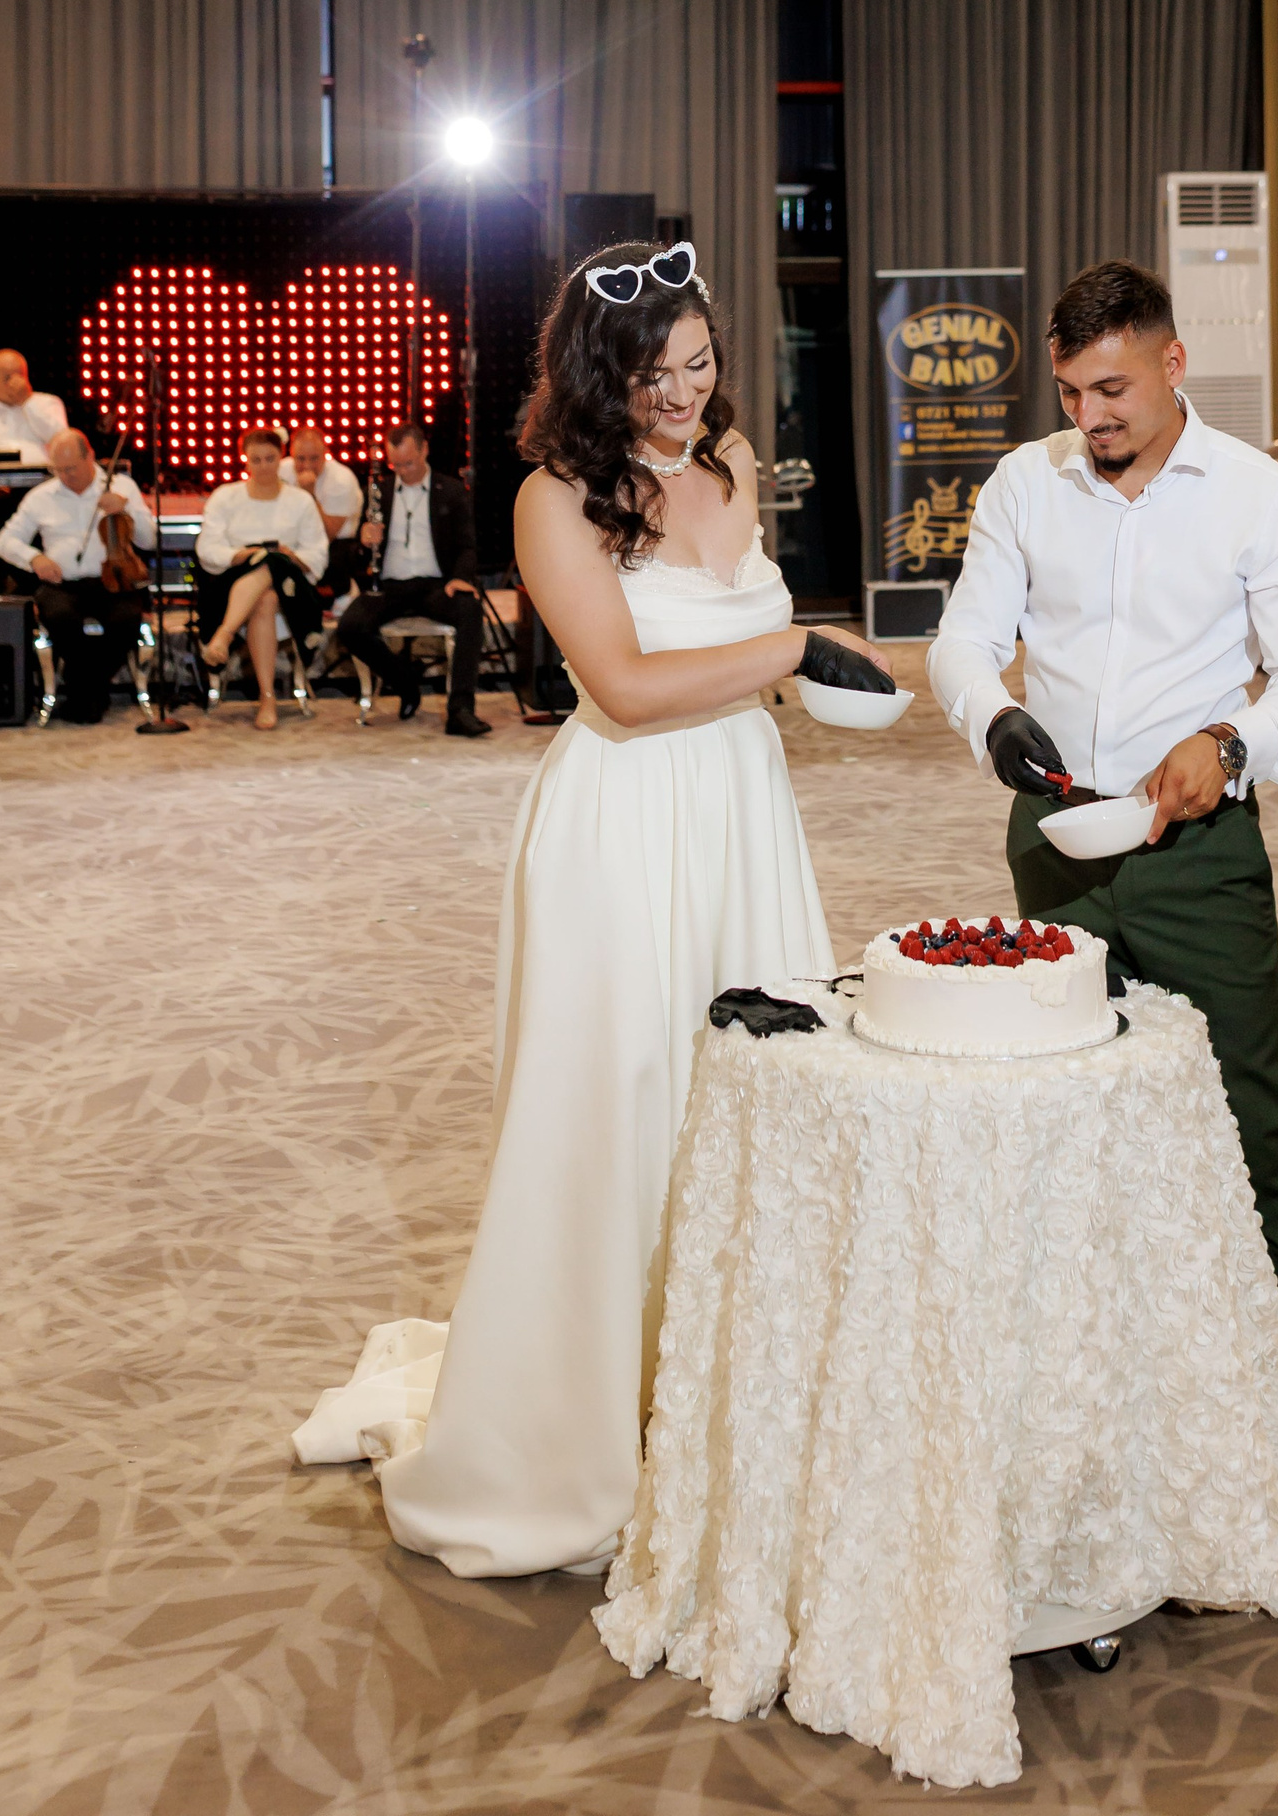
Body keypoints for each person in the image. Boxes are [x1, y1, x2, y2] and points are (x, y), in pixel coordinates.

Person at [295, 240, 892, 1576]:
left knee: (754, 1098)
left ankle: (725, 1403)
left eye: (699, 364)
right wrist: (796, 648)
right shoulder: (551, 499)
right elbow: (621, 684)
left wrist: (814, 677)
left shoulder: (734, 461)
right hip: (621, 823)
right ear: (591, 373)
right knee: (618, 1104)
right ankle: (577, 1421)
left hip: (741, 808)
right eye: (650, 375)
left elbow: (734, 648)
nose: (682, 396)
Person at [927, 259, 1278, 1563]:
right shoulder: (1027, 484)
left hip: (1199, 849)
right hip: (1057, 835)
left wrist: (1231, 745)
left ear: (1173, 364)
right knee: (1066, 1124)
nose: (1091, 417)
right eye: (1071, 393)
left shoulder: (1254, 494)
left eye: (1111, 388)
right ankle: (1087, 1418)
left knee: (1251, 1124)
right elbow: (963, 640)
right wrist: (991, 714)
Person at [336, 423, 490, 738]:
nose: (403, 471)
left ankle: (461, 710)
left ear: (424, 450)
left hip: (436, 585)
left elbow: (467, 546)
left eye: (409, 463)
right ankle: (406, 683)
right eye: (396, 465)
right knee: (350, 626)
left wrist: (461, 578)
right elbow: (358, 558)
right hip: (390, 586)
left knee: (470, 610)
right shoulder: (380, 492)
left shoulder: (451, 490)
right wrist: (363, 542)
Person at [0, 429, 156, 722]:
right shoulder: (41, 497)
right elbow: (4, 542)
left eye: (72, 468)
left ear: (89, 457)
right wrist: (35, 558)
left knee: (127, 621)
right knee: (59, 617)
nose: (66, 476)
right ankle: (94, 694)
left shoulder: (122, 486)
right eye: (59, 470)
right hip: (63, 584)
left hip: (113, 580)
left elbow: (150, 540)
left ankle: (84, 692)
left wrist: (128, 509)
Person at [195, 428, 328, 730]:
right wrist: (241, 555)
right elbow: (207, 548)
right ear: (245, 460)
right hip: (234, 583)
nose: (264, 466)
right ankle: (267, 698)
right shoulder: (225, 497)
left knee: (273, 561)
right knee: (265, 594)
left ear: (281, 458)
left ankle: (225, 635)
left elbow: (317, 554)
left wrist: (290, 557)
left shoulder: (300, 501)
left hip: (290, 588)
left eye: (270, 459)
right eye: (256, 460)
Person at [288, 427, 365, 599]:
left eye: (314, 458)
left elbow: (327, 535)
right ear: (291, 454)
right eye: (300, 458)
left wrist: (309, 494)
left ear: (325, 453)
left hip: (336, 547)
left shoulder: (342, 480)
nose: (307, 465)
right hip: (295, 541)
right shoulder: (282, 471)